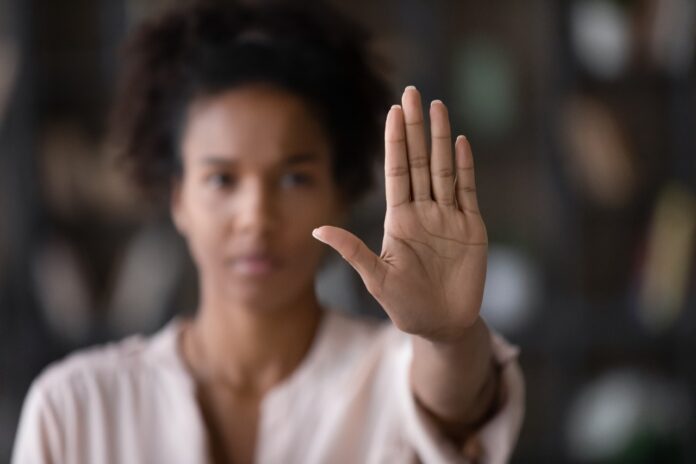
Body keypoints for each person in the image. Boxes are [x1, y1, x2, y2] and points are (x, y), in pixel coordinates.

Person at [12, 2, 524, 463]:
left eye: (294, 177)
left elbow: (454, 407)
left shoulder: (393, 374)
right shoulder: (75, 407)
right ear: (178, 199)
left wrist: (447, 337)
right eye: (221, 179)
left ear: (340, 194)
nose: (256, 215)